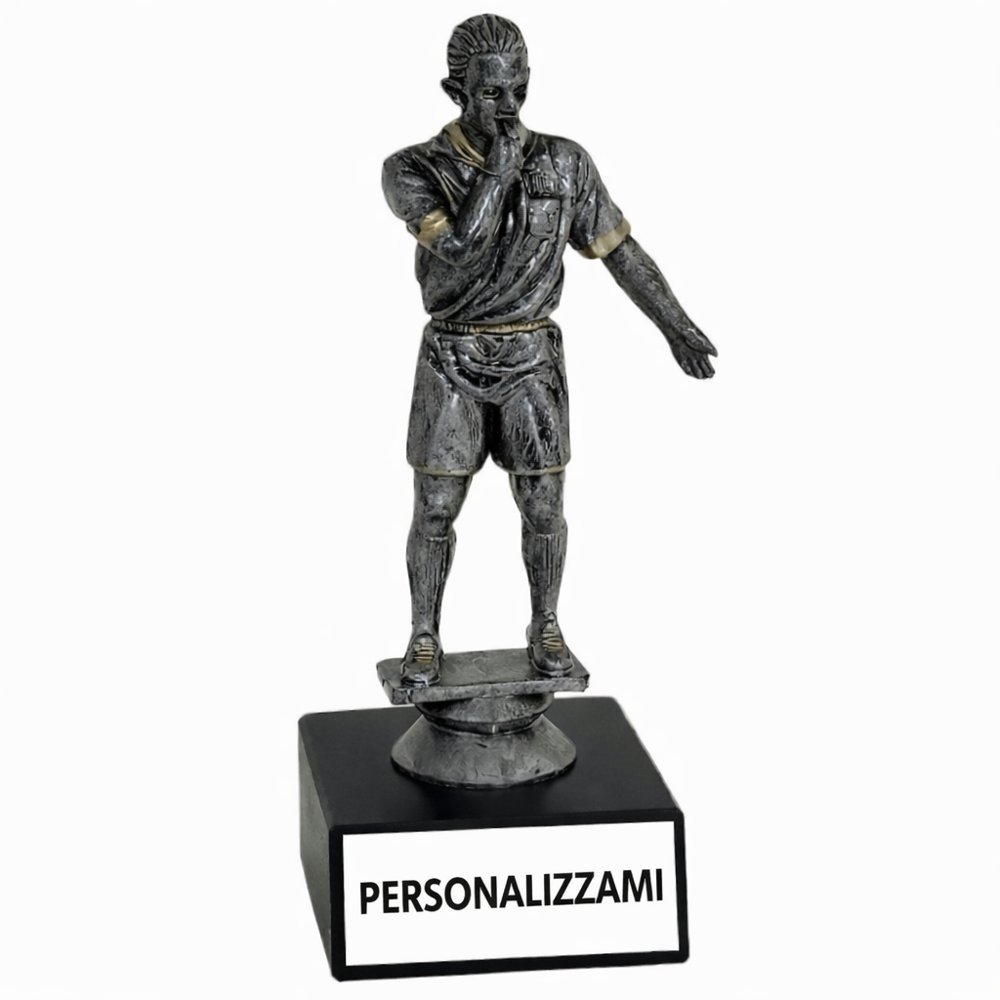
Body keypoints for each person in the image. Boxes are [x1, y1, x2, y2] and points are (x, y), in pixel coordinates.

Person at [382, 14, 717, 686]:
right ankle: (424, 631)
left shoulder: (564, 163)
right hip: (452, 356)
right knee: (437, 505)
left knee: (543, 504)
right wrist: (498, 175)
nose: (508, 107)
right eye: (490, 94)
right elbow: (459, 248)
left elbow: (619, 251)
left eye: (519, 90)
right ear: (455, 92)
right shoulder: (414, 168)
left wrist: (675, 324)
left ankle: (546, 623)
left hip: (532, 355)